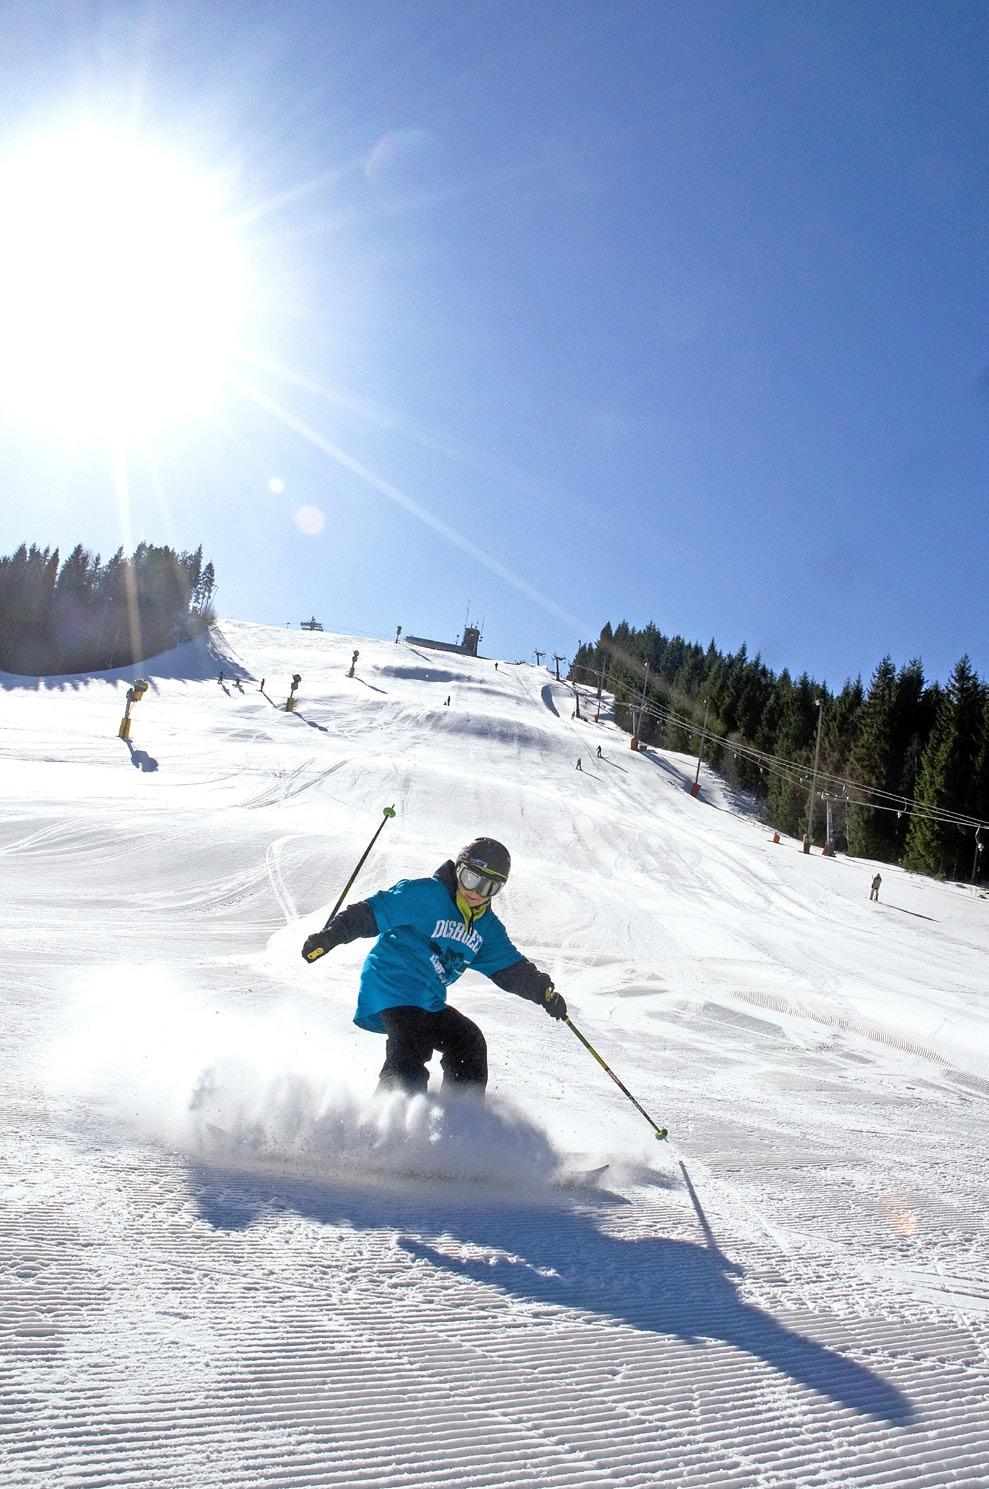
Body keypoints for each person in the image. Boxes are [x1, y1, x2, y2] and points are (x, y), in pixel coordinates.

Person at [301, 837, 566, 1096]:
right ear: (458, 869)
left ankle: (461, 1118)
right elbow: (372, 912)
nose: (475, 892)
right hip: (391, 983)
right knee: (413, 1040)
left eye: (489, 887)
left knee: (468, 1042)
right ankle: (392, 1116)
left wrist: (542, 991)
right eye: (471, 879)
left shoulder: (486, 928)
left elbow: (511, 969)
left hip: (428, 999)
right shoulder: (425, 894)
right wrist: (331, 936)